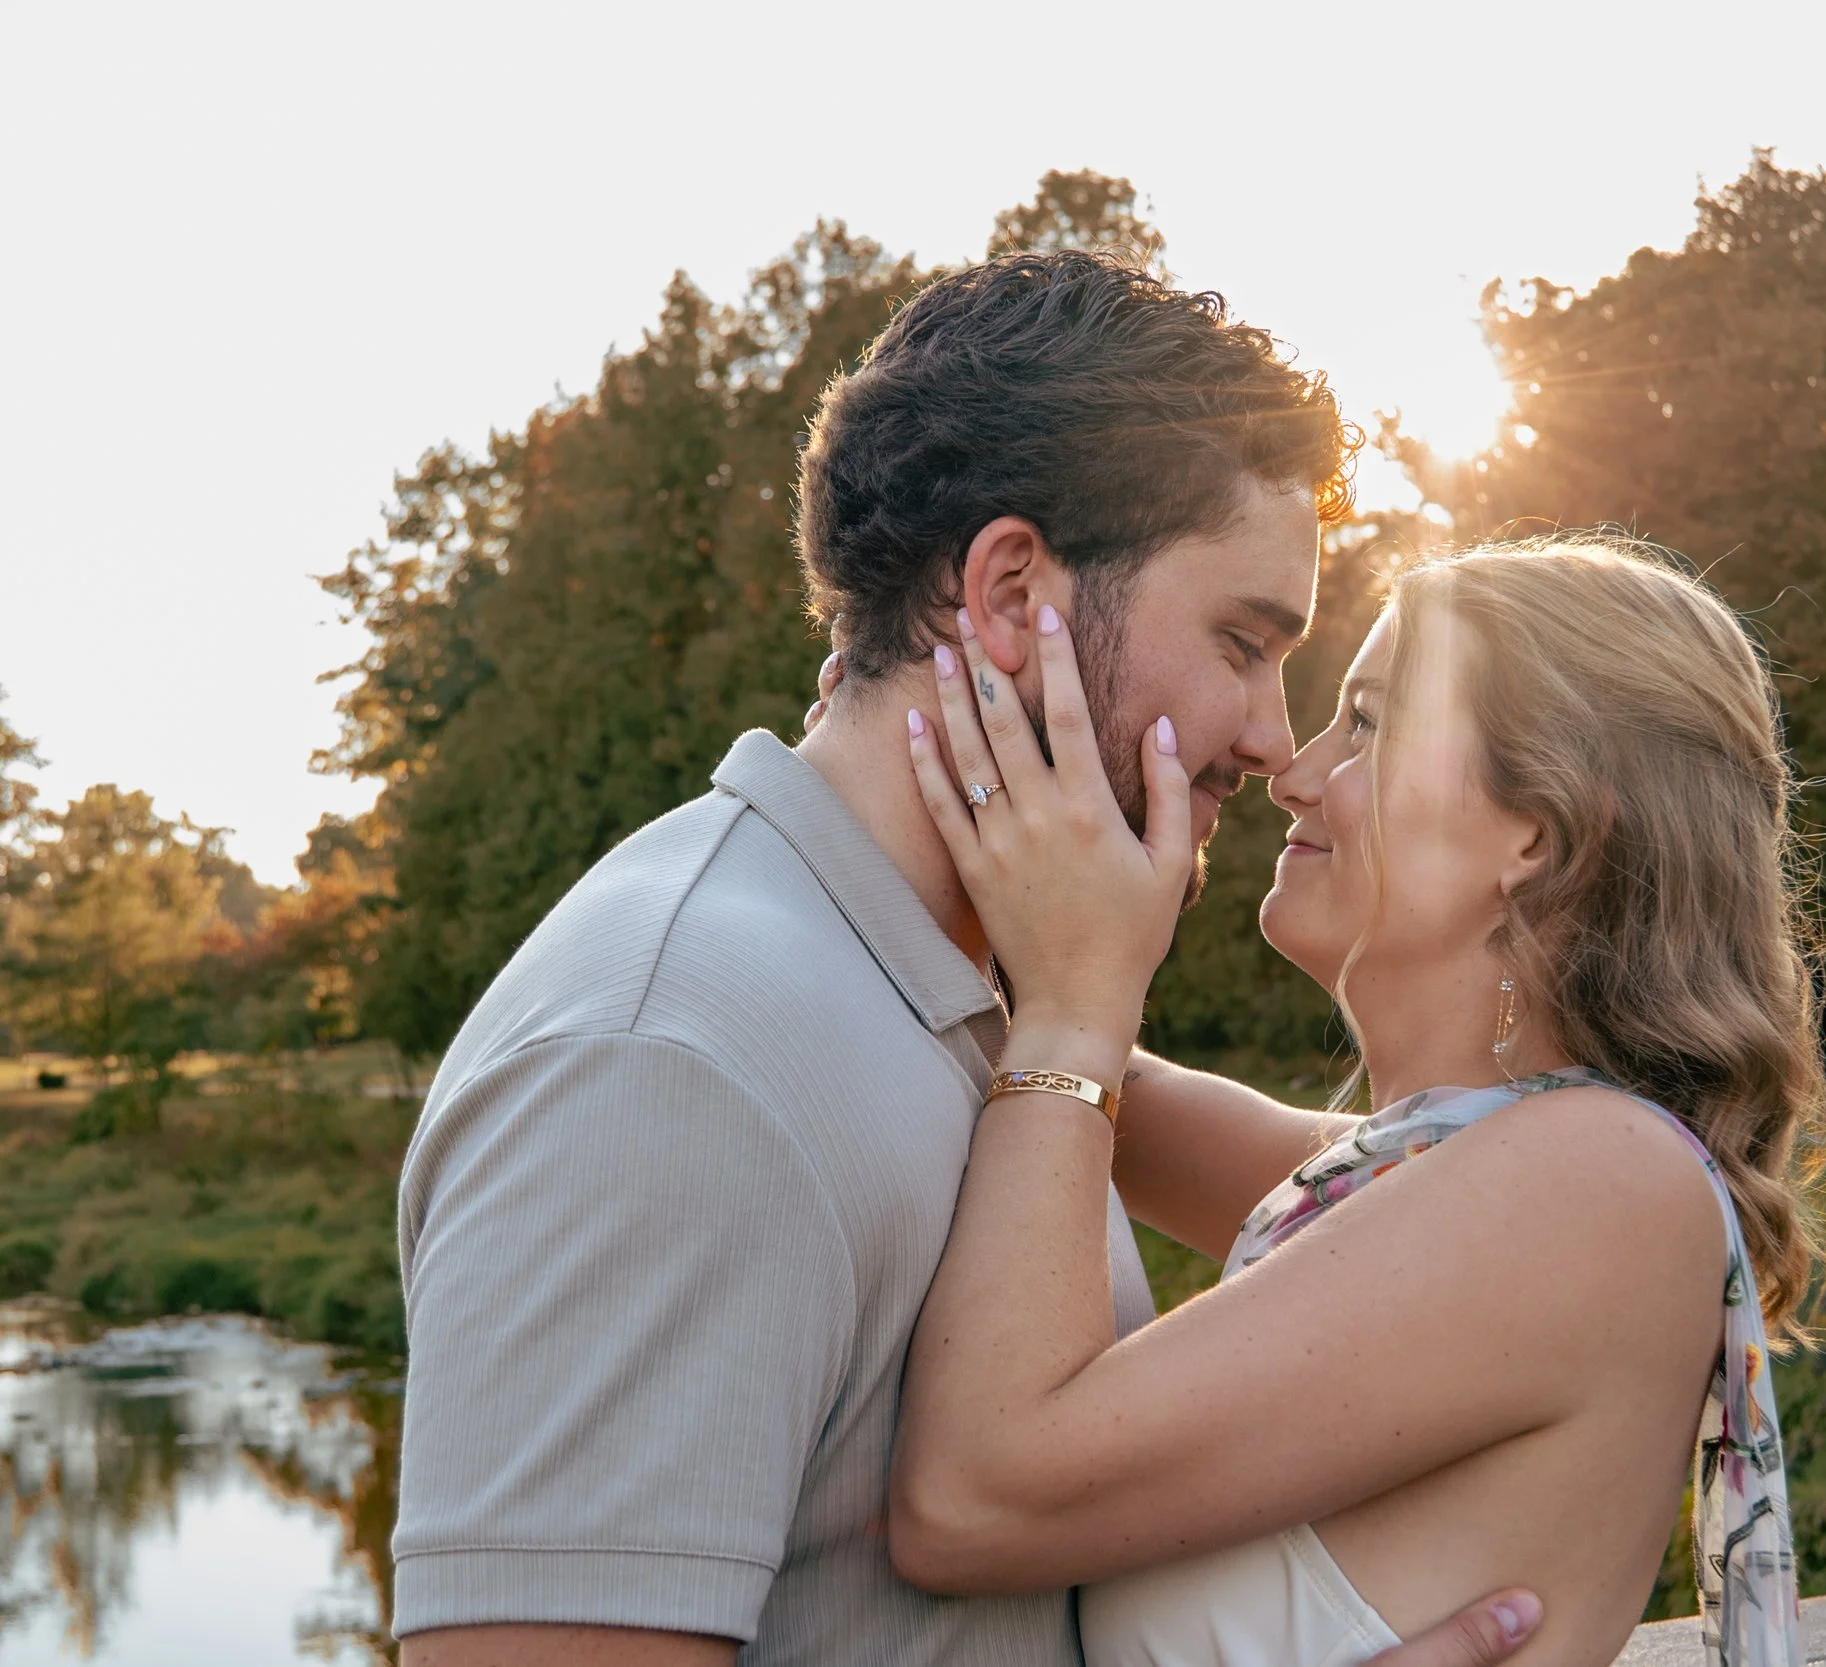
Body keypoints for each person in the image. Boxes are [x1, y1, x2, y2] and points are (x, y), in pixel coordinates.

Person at [393, 250, 1539, 1667]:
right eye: (1244, 642)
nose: (1268, 735)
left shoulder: (972, 1010)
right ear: (1011, 593)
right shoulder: (669, 1055)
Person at [885, 538, 1824, 1666]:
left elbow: (971, 1496)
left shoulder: (1599, 1182)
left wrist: (1079, 1006)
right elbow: (1086, 1089)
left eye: (1368, 722)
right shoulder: (1424, 1175)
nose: (1292, 767)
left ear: (1536, 832)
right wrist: (906, 806)